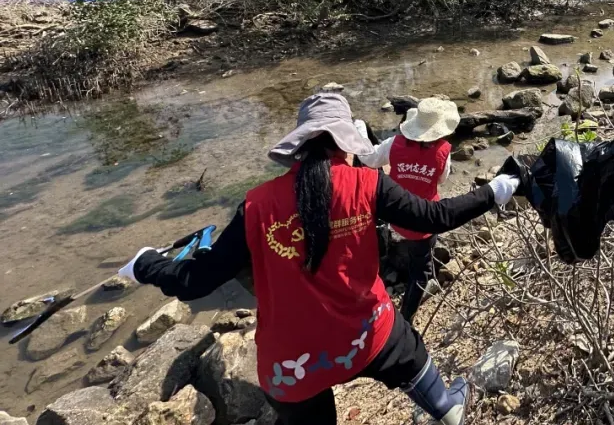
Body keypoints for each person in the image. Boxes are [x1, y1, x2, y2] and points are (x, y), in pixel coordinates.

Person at [117, 92, 519, 425]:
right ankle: (447, 409)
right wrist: (498, 188)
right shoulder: (368, 184)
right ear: (345, 142)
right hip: (368, 335)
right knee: (408, 350)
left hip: (292, 364)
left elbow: (194, 281)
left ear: (299, 147)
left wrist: (146, 264)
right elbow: (436, 216)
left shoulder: (256, 206)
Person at [360, 97, 456, 324]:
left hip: (396, 214)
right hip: (424, 219)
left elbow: (370, 159)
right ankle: (406, 317)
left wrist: (360, 132)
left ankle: (379, 282)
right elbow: (442, 179)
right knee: (421, 272)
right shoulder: (444, 151)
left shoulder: (394, 143)